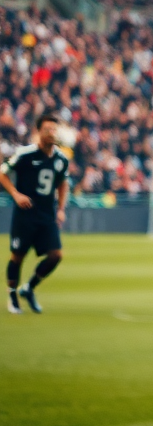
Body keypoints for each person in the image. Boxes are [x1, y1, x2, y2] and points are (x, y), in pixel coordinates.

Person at [2, 112, 69, 314]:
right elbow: (2, 173)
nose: (51, 133)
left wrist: (61, 209)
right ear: (38, 132)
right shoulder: (25, 154)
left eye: (54, 129)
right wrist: (16, 194)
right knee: (17, 257)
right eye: (47, 129)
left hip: (47, 215)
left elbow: (63, 183)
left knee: (56, 255)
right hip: (26, 214)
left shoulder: (61, 159)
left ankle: (29, 288)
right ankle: (13, 295)